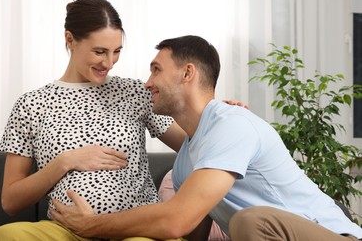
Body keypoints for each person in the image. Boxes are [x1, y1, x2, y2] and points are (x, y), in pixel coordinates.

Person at [51, 35, 362, 241]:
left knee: (250, 222)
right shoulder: (187, 160)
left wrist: (92, 225)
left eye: (156, 70)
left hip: (332, 236)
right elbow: (183, 230)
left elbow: (176, 219)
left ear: (188, 74)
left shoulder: (233, 125)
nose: (147, 83)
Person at [0, 0, 188, 241]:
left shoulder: (136, 92)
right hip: (66, 231)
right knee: (4, 236)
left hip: (136, 228)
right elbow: (10, 200)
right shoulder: (32, 104)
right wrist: (64, 162)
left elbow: (191, 144)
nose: (109, 63)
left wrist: (221, 117)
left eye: (117, 52)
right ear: (70, 39)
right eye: (99, 52)